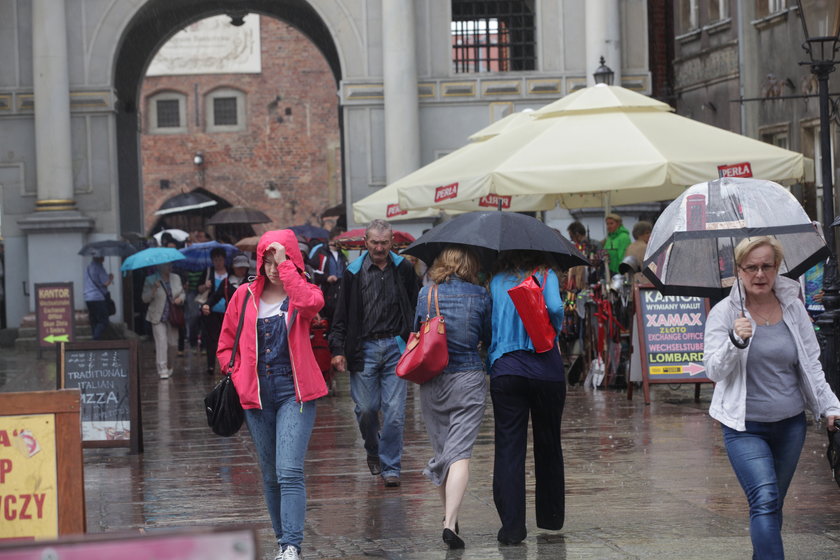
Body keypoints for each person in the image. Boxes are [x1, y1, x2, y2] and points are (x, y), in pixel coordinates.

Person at [704, 236, 840, 559]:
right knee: (764, 498)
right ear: (739, 271)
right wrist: (735, 340)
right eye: (751, 267)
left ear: (777, 268)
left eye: (767, 266)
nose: (760, 274)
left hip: (791, 426)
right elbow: (712, 369)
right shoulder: (725, 314)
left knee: (772, 504)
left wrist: (830, 406)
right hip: (744, 428)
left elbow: (811, 364)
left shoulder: (792, 308)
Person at [216, 230, 327, 560]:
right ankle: (283, 541)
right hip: (256, 394)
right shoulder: (243, 296)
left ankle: (293, 545)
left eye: (281, 258)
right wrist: (236, 375)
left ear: (293, 260)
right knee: (269, 474)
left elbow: (311, 303)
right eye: (268, 258)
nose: (274, 265)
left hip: (296, 392)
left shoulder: (301, 293)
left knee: (289, 470)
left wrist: (287, 267)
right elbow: (224, 345)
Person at [328, 219, 419, 487]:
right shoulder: (353, 272)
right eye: (374, 242)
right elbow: (341, 313)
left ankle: (391, 466)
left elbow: (415, 307)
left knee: (394, 412)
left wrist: (413, 337)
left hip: (395, 347)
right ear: (365, 242)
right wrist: (338, 349)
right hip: (363, 347)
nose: (379, 248)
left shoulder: (403, 269)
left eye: (384, 242)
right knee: (366, 409)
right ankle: (372, 449)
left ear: (393, 243)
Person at [414, 246, 491, 549]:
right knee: (460, 453)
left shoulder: (426, 294)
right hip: (468, 377)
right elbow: (487, 334)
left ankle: (450, 516)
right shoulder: (480, 295)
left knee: (444, 451)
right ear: (470, 265)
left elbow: (417, 329)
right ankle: (449, 522)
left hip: (432, 378)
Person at [488, 251, 566, 545]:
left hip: (506, 369)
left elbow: (488, 323)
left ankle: (512, 528)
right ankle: (550, 517)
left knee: (509, 448)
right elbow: (556, 308)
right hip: (546, 370)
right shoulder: (546, 275)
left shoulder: (495, 281)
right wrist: (551, 331)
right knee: (548, 443)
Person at [201, 253, 251, 375]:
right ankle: (231, 367)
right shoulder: (226, 282)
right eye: (239, 267)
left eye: (244, 267)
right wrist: (207, 304)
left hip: (249, 319)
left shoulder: (252, 280)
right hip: (232, 319)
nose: (241, 270)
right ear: (233, 267)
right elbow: (215, 296)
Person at [141, 263, 184, 379]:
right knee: (161, 342)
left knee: (173, 344)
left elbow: (182, 293)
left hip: (173, 316)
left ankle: (170, 366)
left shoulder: (176, 278)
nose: (168, 267)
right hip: (157, 316)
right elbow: (145, 299)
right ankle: (162, 368)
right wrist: (153, 289)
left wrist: (180, 299)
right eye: (165, 265)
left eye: (170, 265)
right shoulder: (150, 279)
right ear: (159, 266)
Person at [310, 228, 347, 327]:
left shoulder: (342, 255)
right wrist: (326, 277)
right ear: (333, 239)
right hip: (325, 291)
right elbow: (311, 270)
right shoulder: (321, 252)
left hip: (339, 291)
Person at [84, 252, 113, 340]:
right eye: (102, 256)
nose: (104, 258)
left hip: (88, 298)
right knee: (103, 321)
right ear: (99, 257)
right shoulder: (99, 267)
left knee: (94, 321)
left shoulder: (88, 267)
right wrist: (111, 278)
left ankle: (95, 341)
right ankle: (96, 339)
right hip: (98, 298)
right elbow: (106, 283)